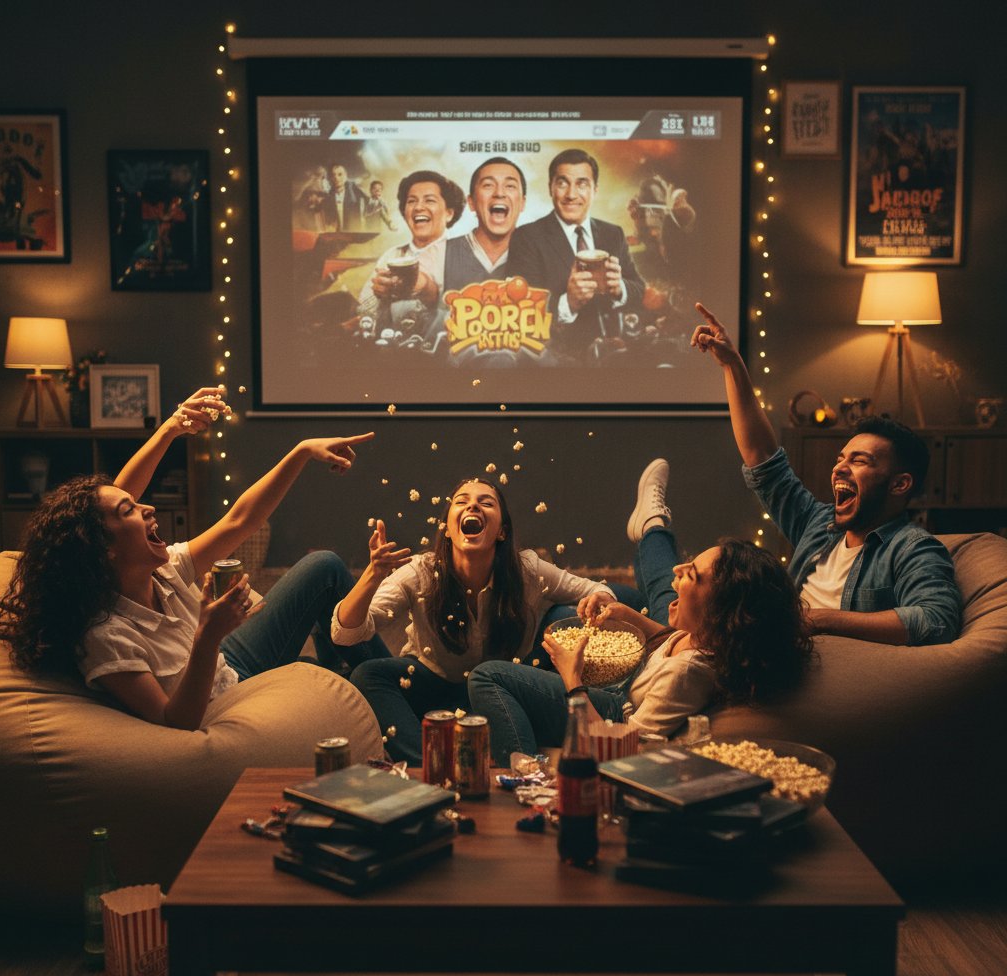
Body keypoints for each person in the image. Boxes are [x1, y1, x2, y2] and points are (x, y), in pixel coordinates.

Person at [0, 386, 388, 730]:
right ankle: (379, 682)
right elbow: (175, 720)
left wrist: (301, 452)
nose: (148, 508)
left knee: (324, 567)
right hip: (221, 692)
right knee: (324, 681)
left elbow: (240, 520)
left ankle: (384, 677)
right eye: (130, 511)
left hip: (228, 661)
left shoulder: (163, 568)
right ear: (103, 549)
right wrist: (208, 635)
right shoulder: (107, 638)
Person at [468, 460, 812, 766]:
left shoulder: (686, 673)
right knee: (597, 605)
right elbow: (666, 638)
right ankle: (650, 524)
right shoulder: (700, 638)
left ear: (722, 611)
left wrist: (573, 681)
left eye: (691, 574)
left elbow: (626, 749)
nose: (679, 568)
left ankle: (528, 770)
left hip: (615, 710)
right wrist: (627, 615)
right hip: (625, 689)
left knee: (487, 676)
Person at [691, 302, 962, 646]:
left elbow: (936, 621)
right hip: (767, 655)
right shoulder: (819, 524)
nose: (839, 468)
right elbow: (763, 460)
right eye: (840, 458)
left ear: (900, 484)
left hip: (815, 675)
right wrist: (732, 364)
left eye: (859, 461)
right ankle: (652, 528)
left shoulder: (913, 548)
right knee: (653, 601)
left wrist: (818, 620)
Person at [330, 476, 618, 765]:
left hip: (500, 690)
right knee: (368, 674)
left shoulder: (527, 570)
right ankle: (430, 766)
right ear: (447, 529)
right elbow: (346, 634)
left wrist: (598, 599)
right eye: (462, 502)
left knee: (564, 618)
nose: (474, 507)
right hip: (434, 684)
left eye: (486, 503)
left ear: (502, 531)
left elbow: (597, 589)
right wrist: (373, 574)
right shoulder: (422, 572)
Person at [507, 148, 645, 361]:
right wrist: (569, 303)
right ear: (551, 188)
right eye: (562, 183)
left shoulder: (613, 233)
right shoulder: (527, 237)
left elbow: (638, 288)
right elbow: (519, 311)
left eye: (582, 184)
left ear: (594, 190)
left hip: (618, 358)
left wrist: (620, 289)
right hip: (560, 363)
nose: (571, 194)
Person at [356, 169, 466, 336]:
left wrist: (425, 287)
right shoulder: (391, 255)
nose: (418, 207)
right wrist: (380, 296)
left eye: (429, 200)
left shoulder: (465, 256)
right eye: (411, 201)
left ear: (449, 213)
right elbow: (364, 312)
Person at [443, 157, 527, 293]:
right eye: (488, 185)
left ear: (522, 203)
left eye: (510, 186)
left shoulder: (538, 256)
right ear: (471, 202)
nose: (499, 193)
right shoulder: (442, 253)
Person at [322, 164, 367, 232]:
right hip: (336, 236)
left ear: (346, 176)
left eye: (340, 174)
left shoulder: (355, 192)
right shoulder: (328, 198)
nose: (336, 178)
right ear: (331, 178)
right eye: (333, 175)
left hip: (354, 234)